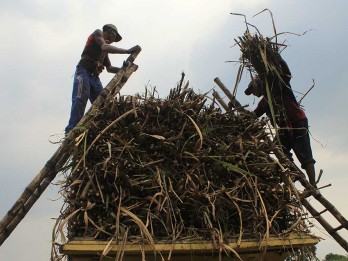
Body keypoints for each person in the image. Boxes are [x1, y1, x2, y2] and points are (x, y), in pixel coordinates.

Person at [240, 57, 317, 187]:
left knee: (304, 152)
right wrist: (236, 109)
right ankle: (295, 173)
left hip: (297, 122)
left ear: (259, 85)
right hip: (283, 129)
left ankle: (312, 184)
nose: (253, 93)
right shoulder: (265, 102)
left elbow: (287, 74)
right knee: (280, 150)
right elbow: (252, 116)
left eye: (253, 89)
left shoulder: (279, 88)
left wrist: (279, 59)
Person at [65, 24, 141, 134]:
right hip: (84, 71)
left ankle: (98, 129)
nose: (114, 39)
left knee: (103, 104)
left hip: (94, 78)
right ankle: (72, 130)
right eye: (114, 36)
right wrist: (127, 51)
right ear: (110, 31)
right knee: (81, 97)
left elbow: (109, 68)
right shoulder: (97, 33)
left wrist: (127, 68)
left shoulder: (104, 52)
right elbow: (105, 47)